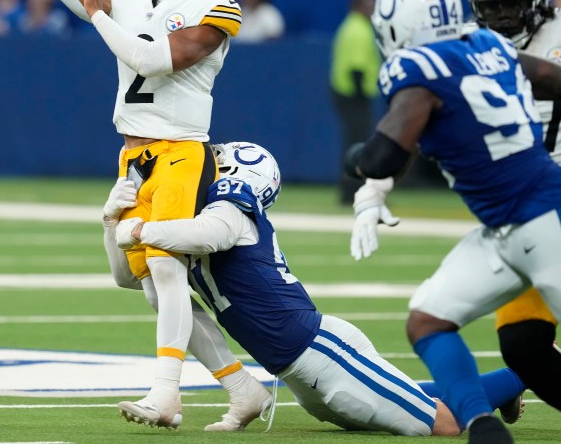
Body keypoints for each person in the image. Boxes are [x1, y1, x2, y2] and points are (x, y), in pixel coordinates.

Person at [31, 0, 271, 431]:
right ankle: (243, 387)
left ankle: (167, 396)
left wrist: (96, 15)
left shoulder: (218, 8)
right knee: (145, 284)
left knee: (165, 264)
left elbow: (151, 60)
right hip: (133, 153)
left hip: (182, 149)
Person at [107, 141, 525, 437]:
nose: (205, 167)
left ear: (234, 172)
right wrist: (111, 221)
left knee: (445, 424)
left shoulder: (230, 207)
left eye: (218, 160)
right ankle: (500, 387)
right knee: (406, 399)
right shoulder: (190, 222)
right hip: (296, 373)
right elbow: (132, 278)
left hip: (323, 354)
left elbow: (209, 235)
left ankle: (525, 371)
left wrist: (143, 227)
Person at [344, 0, 561, 444]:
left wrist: (360, 162)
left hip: (543, 220)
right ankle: (483, 426)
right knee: (428, 319)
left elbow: (386, 153)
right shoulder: (494, 46)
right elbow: (551, 79)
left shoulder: (416, 71)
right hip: (509, 227)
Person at [466, 0, 561, 411]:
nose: (502, 16)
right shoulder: (468, 48)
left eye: (510, 3)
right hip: (523, 211)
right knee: (523, 347)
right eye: (491, 7)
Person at [329, 0, 381, 204]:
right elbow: (356, 68)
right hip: (353, 94)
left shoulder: (351, 26)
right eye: (369, 5)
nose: (372, 9)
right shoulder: (359, 30)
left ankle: (352, 190)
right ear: (358, 7)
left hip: (346, 93)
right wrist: (361, 95)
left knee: (354, 142)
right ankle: (353, 191)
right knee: (357, 145)